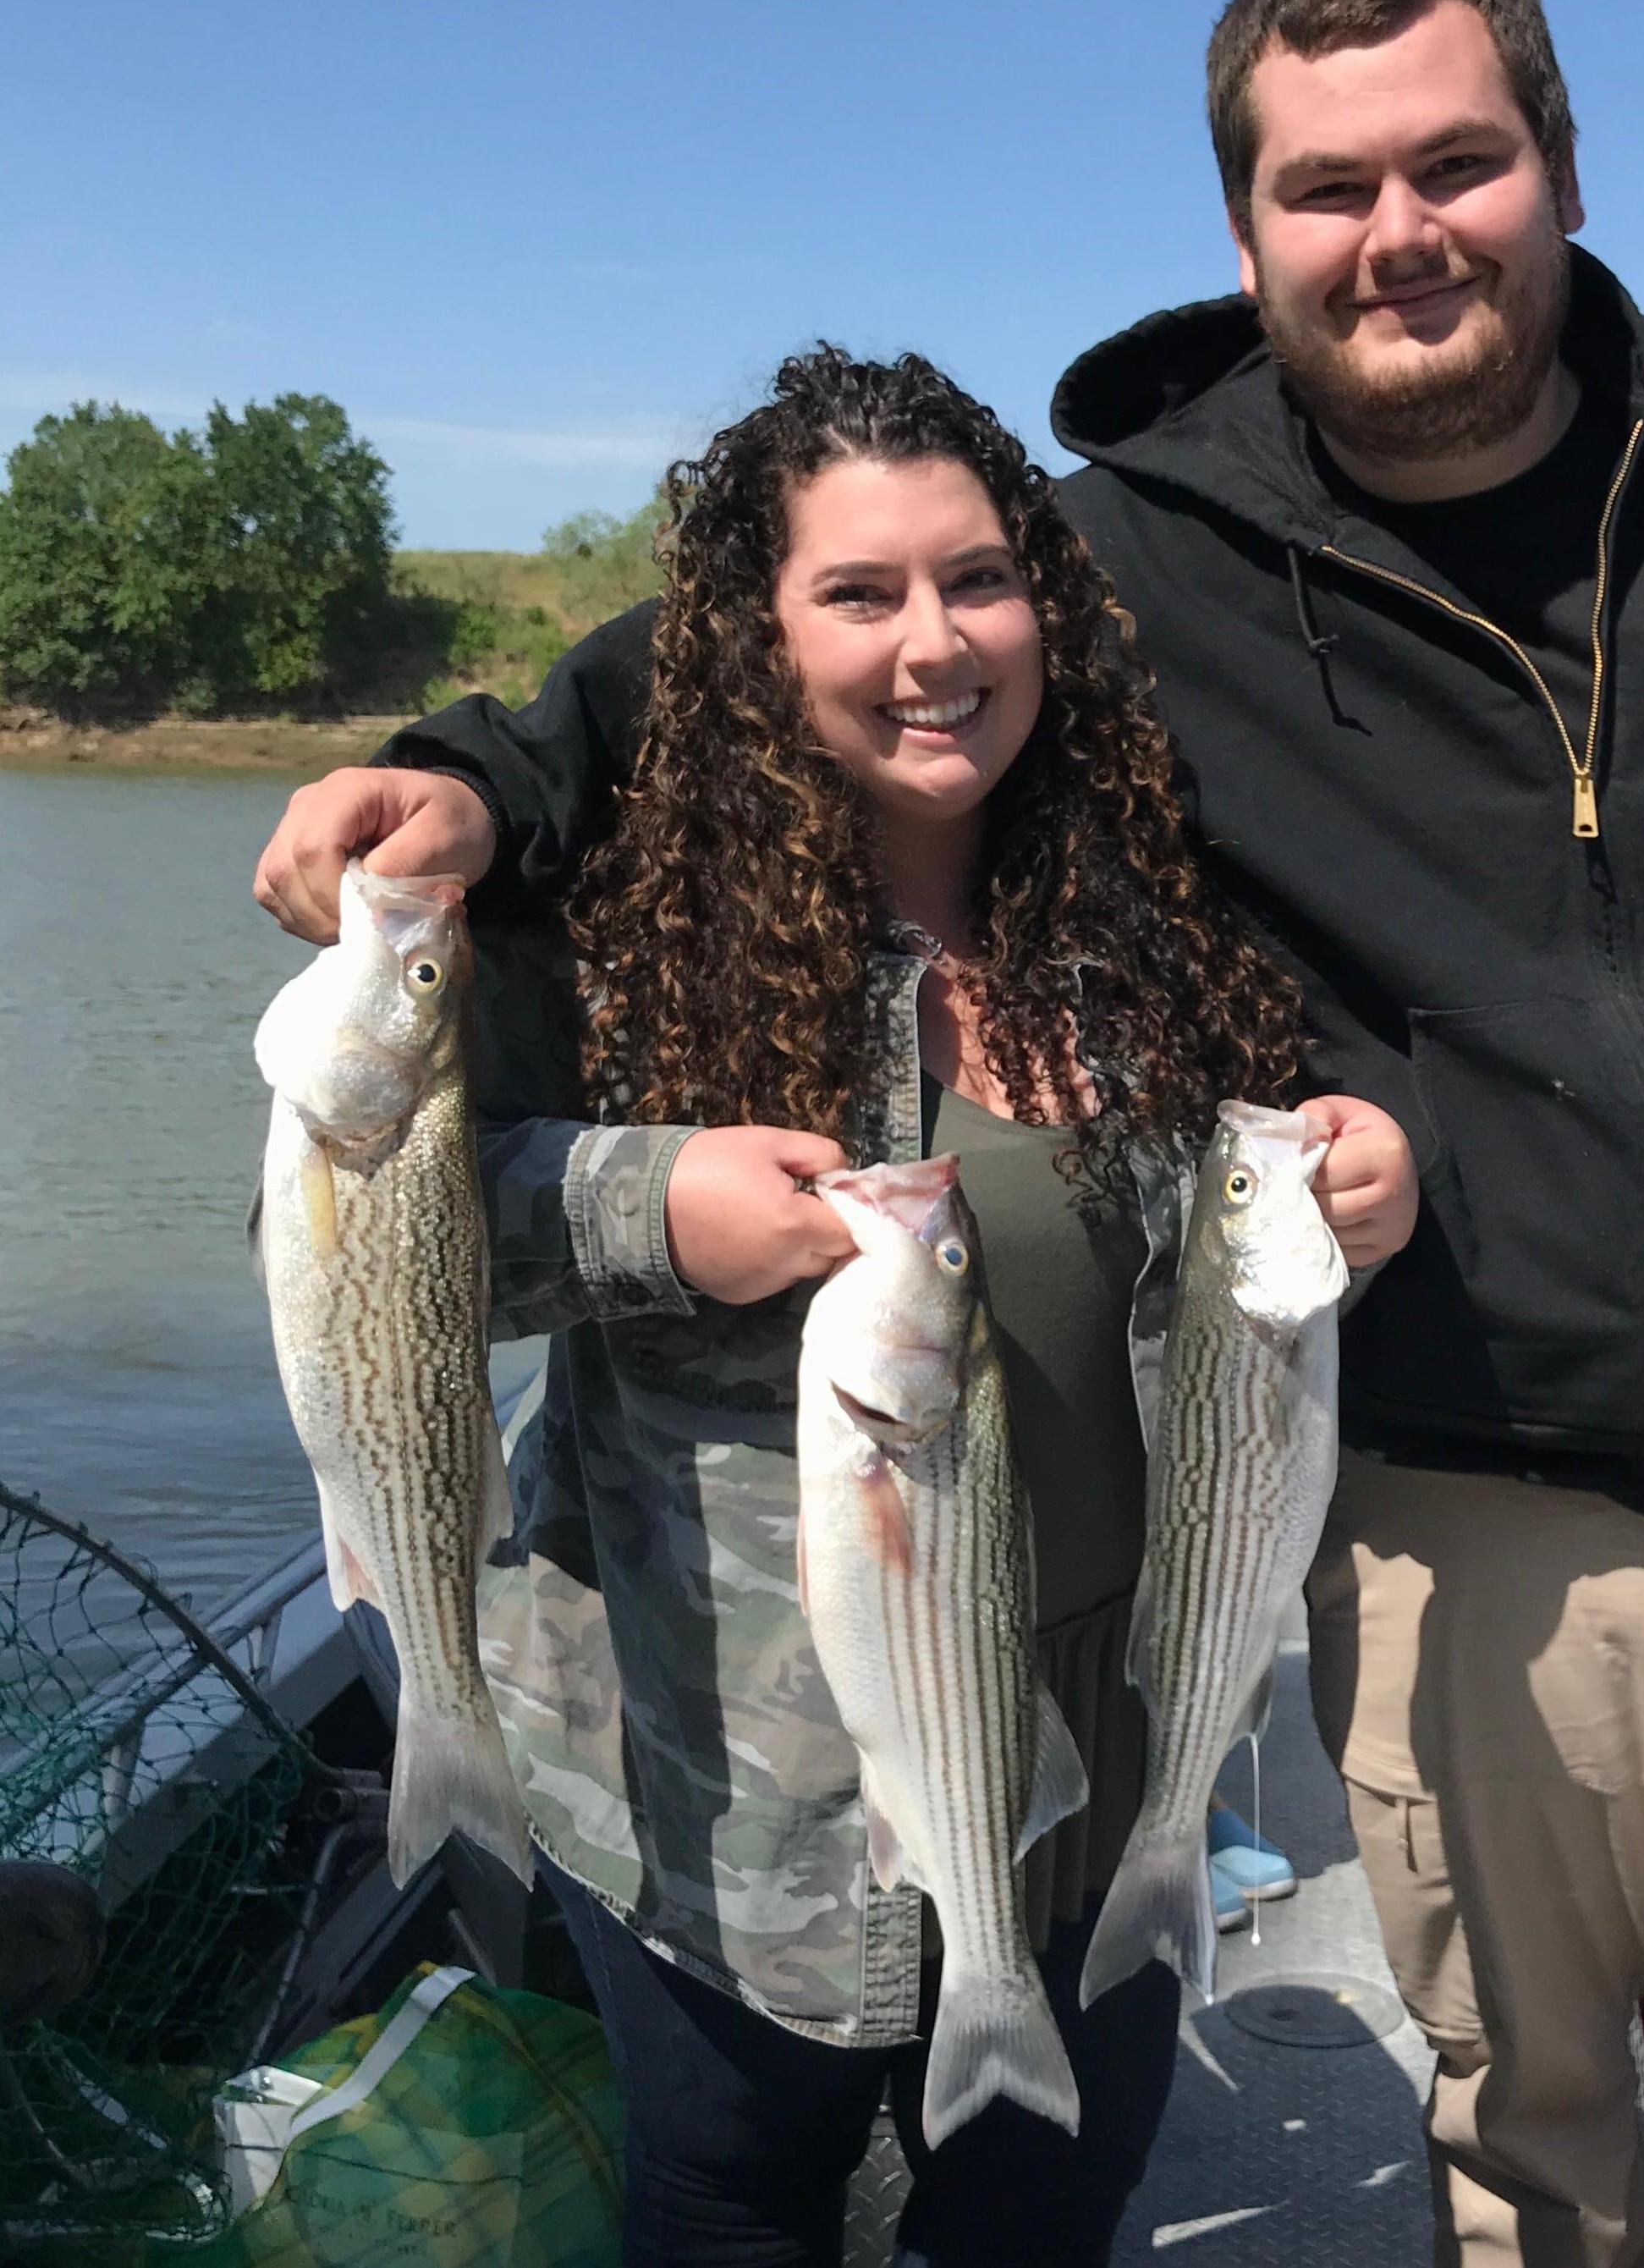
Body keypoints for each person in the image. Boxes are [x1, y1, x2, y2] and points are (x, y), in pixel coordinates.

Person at [255, 0, 1644, 2268]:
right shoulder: (1133, 559)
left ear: (1563, 171)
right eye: (1327, 187)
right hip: (1453, 1507)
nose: (1398, 233)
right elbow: (722, 664)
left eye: (1455, 162)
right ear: (1247, 230)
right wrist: (454, 783)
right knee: (1537, 2165)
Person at [445, 344, 1416, 2268]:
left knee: (1038, 2225)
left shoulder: (1163, 927)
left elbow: (1245, 1309)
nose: (933, 643)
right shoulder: (602, 927)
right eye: (857, 592)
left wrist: (1356, 1179)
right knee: (728, 2214)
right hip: (732, 1796)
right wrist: (648, 1205)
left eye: (977, 579)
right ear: (749, 633)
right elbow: (349, 1245)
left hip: (1101, 1773)